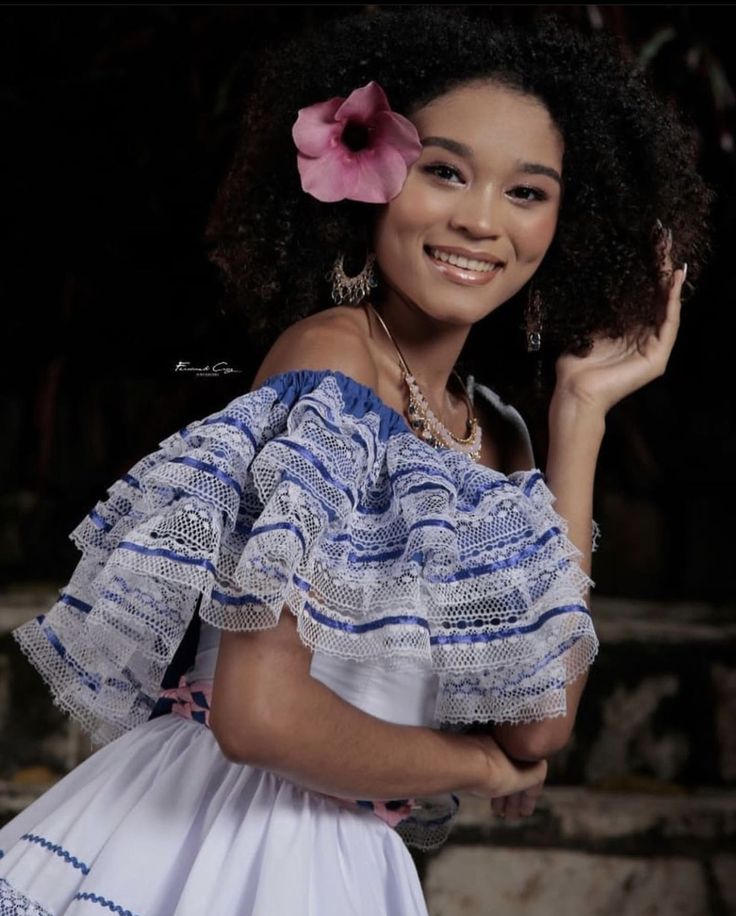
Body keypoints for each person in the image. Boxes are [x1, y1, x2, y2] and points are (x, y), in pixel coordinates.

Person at [0, 6, 713, 915]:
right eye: (444, 172)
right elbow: (261, 719)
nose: (482, 220)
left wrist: (581, 418)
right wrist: (476, 768)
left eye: (527, 192)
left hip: (345, 860)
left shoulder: (495, 432)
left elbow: (540, 721)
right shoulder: (334, 358)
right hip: (228, 842)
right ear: (370, 177)